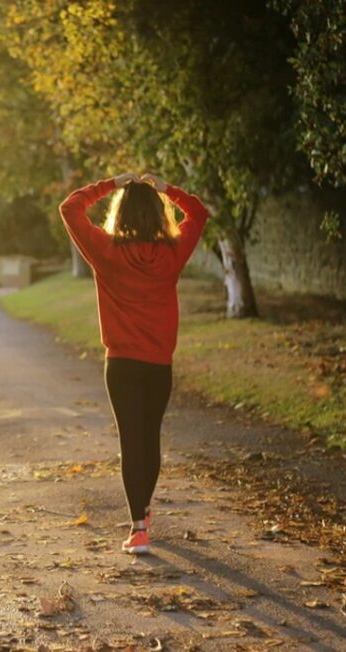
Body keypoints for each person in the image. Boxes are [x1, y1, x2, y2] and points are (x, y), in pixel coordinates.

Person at [59, 172, 210, 554]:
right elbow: (199, 213)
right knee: (150, 438)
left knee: (132, 441)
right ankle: (143, 511)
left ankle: (139, 527)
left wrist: (111, 183)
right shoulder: (172, 253)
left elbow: (70, 207)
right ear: (159, 214)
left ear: (120, 213)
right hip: (159, 364)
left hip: (122, 364)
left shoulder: (106, 251)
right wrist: (167, 189)